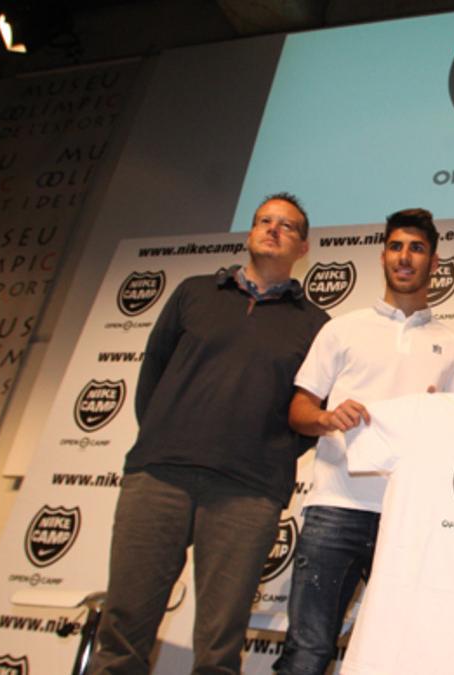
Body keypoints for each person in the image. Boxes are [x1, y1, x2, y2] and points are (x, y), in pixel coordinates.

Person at [88, 193, 328, 675]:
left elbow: (308, 415)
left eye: (286, 225)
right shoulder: (193, 292)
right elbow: (152, 375)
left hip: (248, 492)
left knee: (220, 646)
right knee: (123, 629)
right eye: (265, 220)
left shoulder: (318, 325)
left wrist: (269, 453)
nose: (273, 229)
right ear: (250, 232)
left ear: (303, 247)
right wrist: (165, 435)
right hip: (159, 478)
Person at [274, 208, 454, 675]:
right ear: (383, 255)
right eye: (397, 246)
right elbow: (298, 411)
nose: (405, 257)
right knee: (307, 652)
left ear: (435, 262)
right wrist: (327, 417)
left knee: (400, 658)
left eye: (417, 248)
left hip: (411, 516)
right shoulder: (342, 328)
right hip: (335, 509)